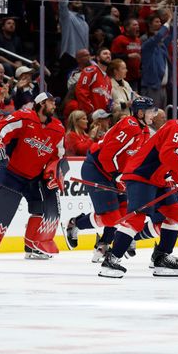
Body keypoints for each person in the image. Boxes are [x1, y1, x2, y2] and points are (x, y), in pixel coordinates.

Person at [99, 101, 178, 278]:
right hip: (142, 175)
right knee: (137, 219)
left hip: (158, 180)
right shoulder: (176, 126)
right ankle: (111, 260)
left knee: (177, 214)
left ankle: (161, 257)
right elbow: (166, 154)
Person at [0, 92, 66, 259]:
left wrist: (55, 169)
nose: (54, 105)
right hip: (11, 173)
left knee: (41, 209)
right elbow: (1, 128)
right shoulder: (24, 118)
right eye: (51, 102)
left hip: (34, 177)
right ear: (41, 104)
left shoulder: (58, 128)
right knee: (2, 209)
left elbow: (58, 154)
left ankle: (32, 248)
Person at [64, 97, 158, 262]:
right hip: (97, 169)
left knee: (124, 213)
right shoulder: (131, 127)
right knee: (111, 217)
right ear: (141, 112)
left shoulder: (143, 131)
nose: (153, 115)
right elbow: (107, 155)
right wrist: (119, 177)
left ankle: (104, 244)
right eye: (150, 112)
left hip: (113, 173)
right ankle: (75, 223)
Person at [75, 47, 113, 115]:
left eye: (109, 54)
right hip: (92, 115)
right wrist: (90, 109)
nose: (108, 56)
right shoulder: (90, 71)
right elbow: (81, 91)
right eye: (105, 54)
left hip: (104, 116)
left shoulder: (108, 79)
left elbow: (108, 98)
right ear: (98, 58)